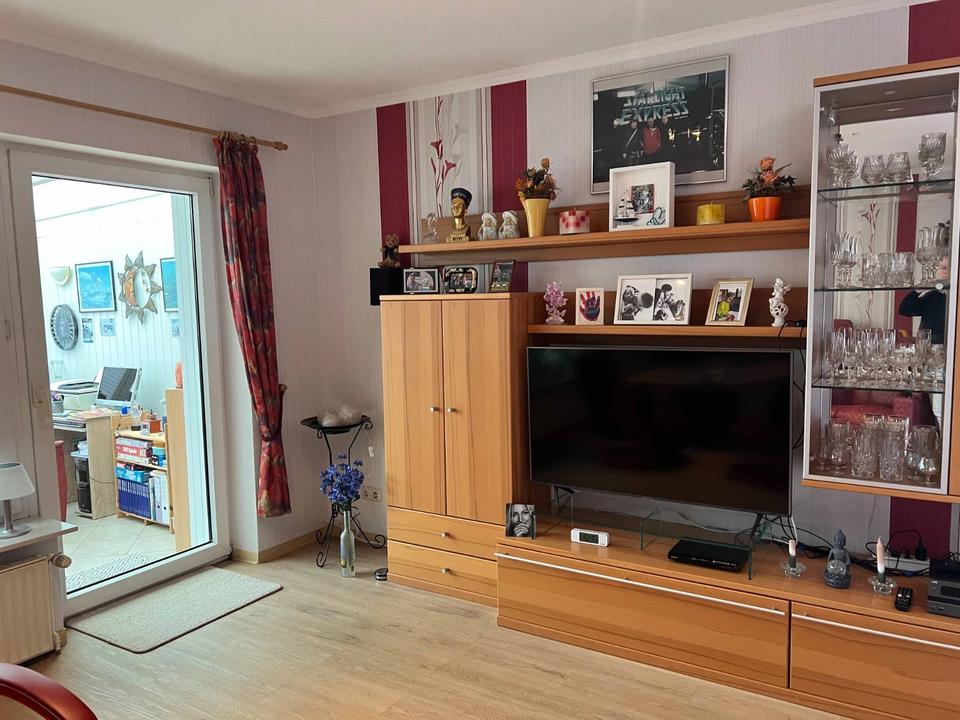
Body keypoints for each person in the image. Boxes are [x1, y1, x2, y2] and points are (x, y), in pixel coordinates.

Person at [899, 254, 948, 343]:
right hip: (928, 345)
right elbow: (904, 310)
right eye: (943, 268)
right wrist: (918, 290)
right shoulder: (932, 295)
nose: (947, 271)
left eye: (950, 268)